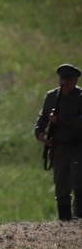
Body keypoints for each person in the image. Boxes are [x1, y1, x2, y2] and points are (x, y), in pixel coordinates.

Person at [34, 64, 82, 221]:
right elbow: (42, 119)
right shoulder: (51, 97)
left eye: (68, 80)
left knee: (78, 179)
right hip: (58, 147)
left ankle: (79, 217)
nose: (65, 83)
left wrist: (61, 120)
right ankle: (65, 220)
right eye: (62, 79)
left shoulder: (80, 96)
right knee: (61, 184)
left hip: (77, 146)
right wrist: (41, 134)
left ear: (75, 81)